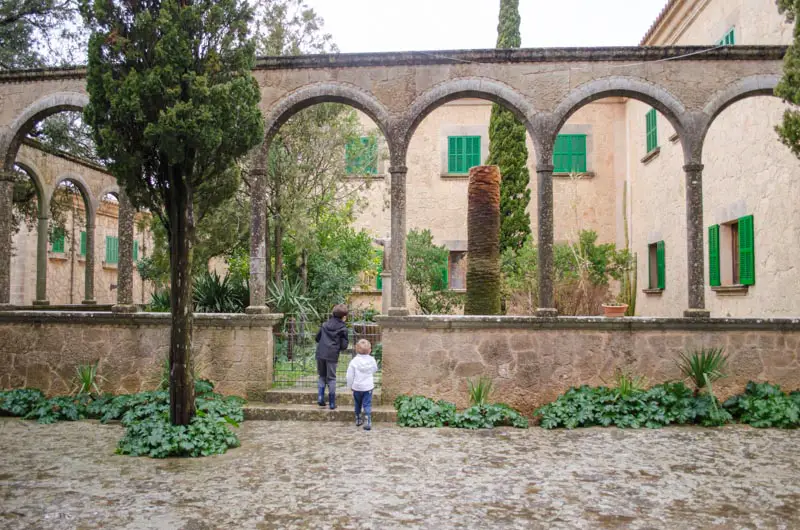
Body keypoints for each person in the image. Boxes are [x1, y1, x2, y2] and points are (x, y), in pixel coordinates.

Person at [315, 304, 349, 410]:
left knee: (322, 376)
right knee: (332, 378)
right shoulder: (343, 328)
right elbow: (344, 346)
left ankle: (320, 397)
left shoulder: (324, 325)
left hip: (320, 353)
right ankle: (332, 403)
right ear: (344, 317)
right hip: (332, 355)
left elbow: (317, 338)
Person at [346, 339, 379, 431]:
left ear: (356, 349)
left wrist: (350, 386)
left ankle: (358, 418)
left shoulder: (354, 361)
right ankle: (368, 420)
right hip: (368, 387)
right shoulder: (372, 360)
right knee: (367, 404)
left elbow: (350, 375)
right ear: (370, 350)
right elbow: (375, 369)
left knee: (357, 403)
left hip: (357, 387)